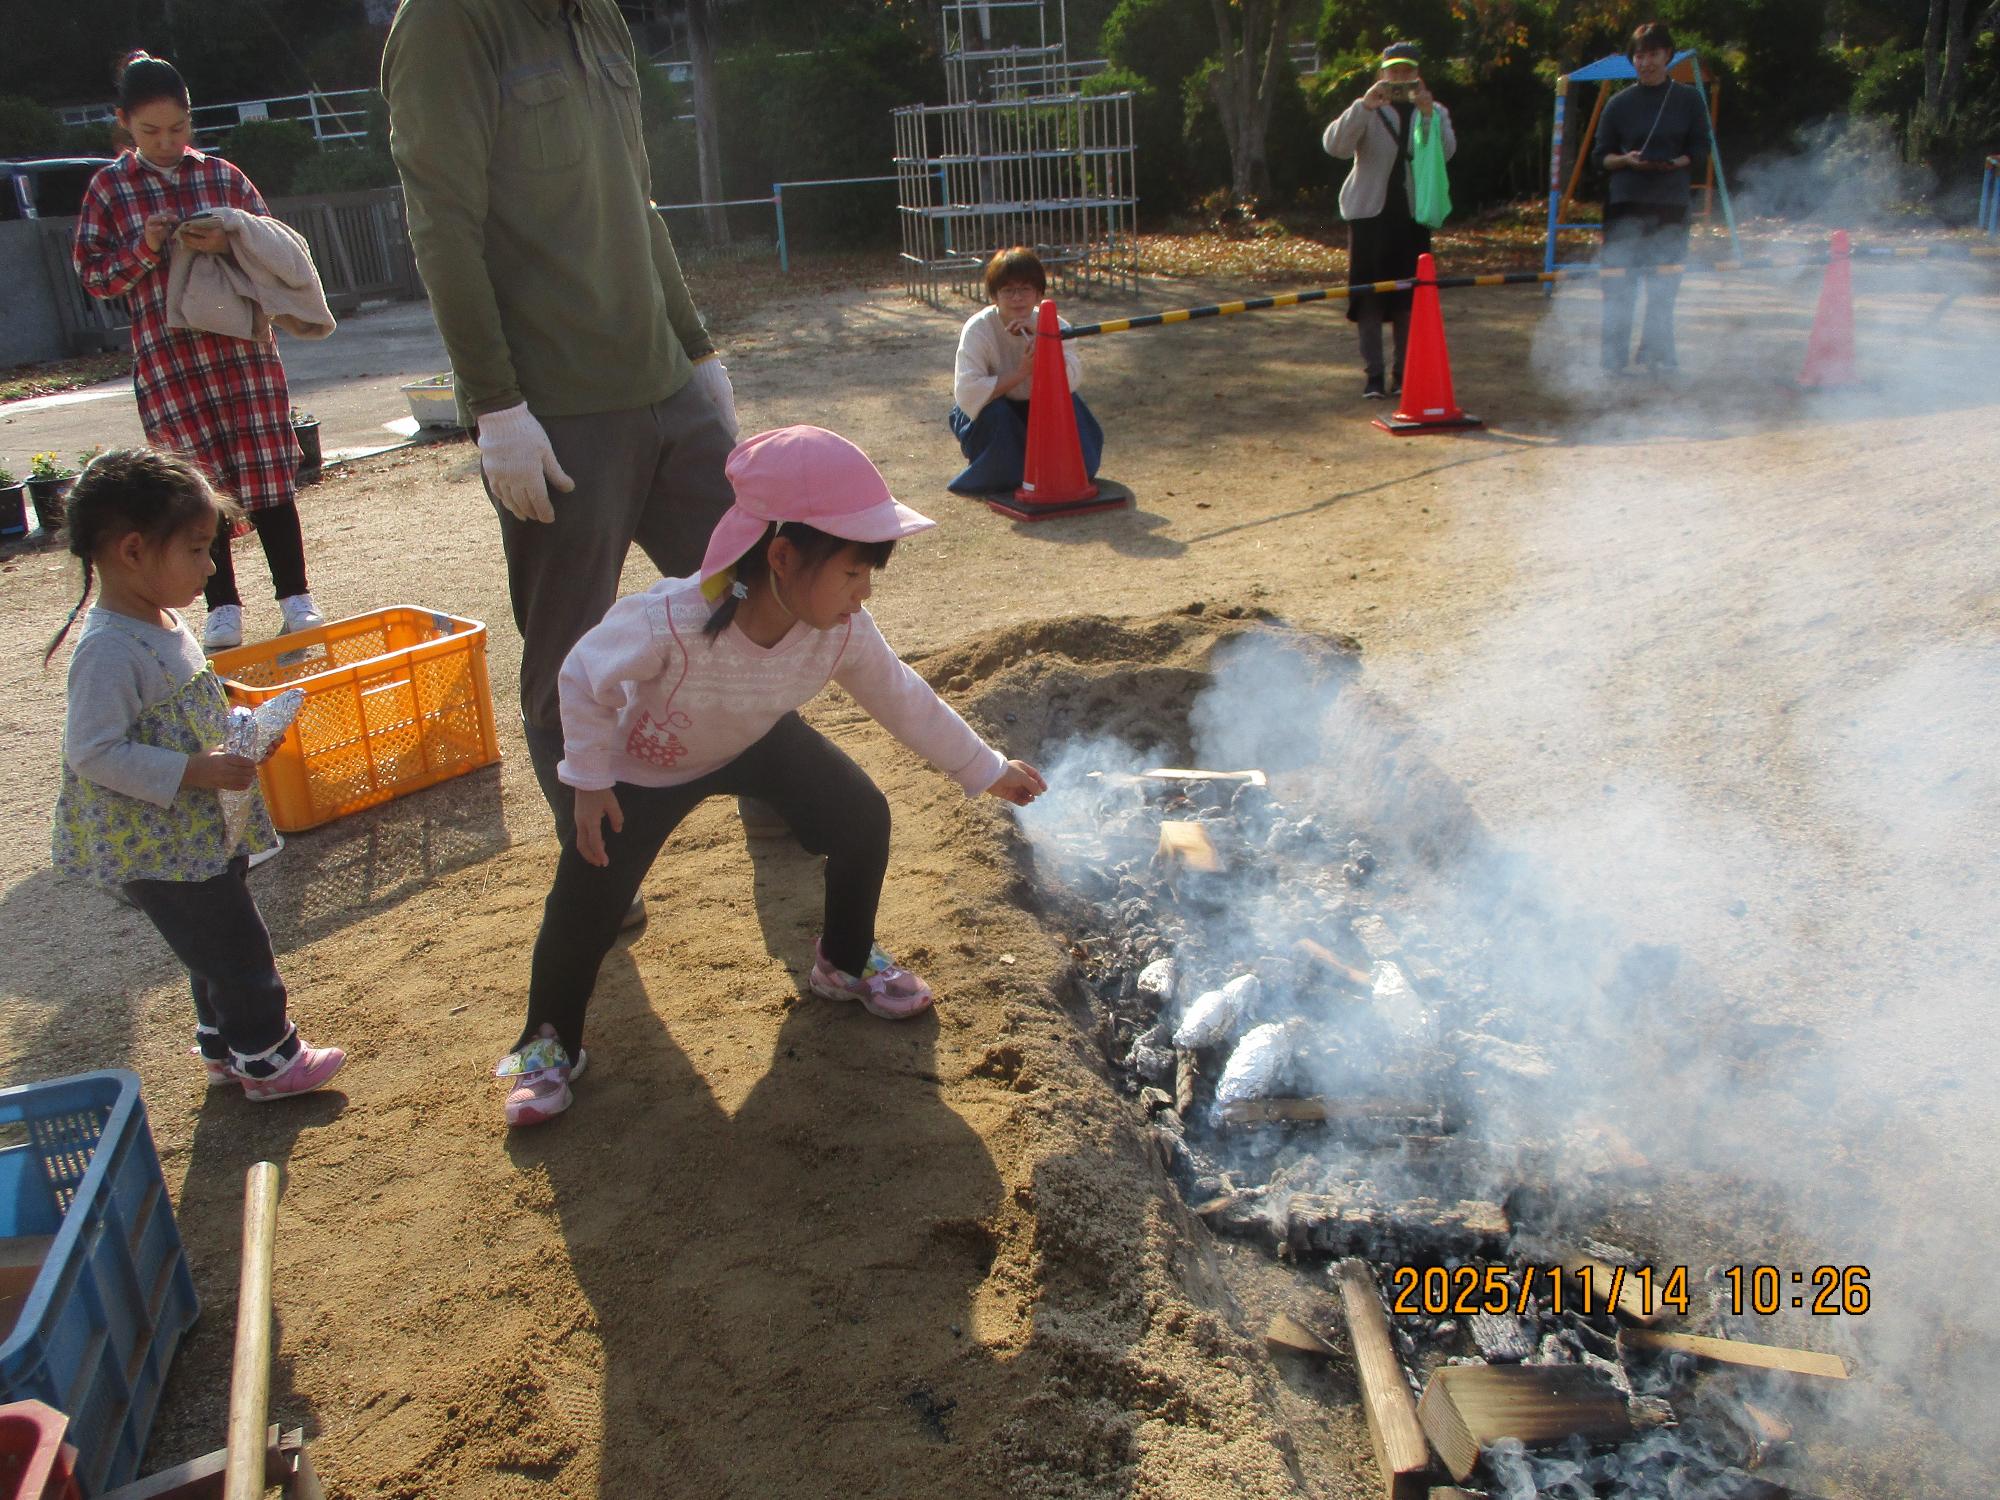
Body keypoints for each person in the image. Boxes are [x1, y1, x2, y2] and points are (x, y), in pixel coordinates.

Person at [496, 426, 1047, 1127]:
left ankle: (844, 961)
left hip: (754, 739)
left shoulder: (842, 628)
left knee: (860, 817)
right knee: (585, 901)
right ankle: (548, 1044)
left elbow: (903, 697)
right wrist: (592, 778)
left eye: (870, 574)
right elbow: (582, 675)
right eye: (852, 572)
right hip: (648, 764)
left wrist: (987, 768)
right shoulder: (671, 620)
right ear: (782, 557)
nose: (862, 592)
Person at [382, 0, 747, 883]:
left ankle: (774, 793)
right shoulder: (448, 24)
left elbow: (637, 195)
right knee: (571, 657)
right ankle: (598, 874)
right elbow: (443, 224)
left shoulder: (599, 18)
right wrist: (497, 404)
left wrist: (694, 346)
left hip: (665, 383)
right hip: (559, 409)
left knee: (748, 596)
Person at [46, 449, 345, 1101]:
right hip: (159, 843)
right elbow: (91, 752)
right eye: (198, 549)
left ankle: (223, 1047)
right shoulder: (107, 651)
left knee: (210, 945)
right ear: (132, 552)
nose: (211, 568)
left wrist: (239, 730)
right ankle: (269, 1061)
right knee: (237, 948)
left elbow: (182, 707)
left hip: (195, 829)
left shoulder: (160, 618)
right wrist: (196, 768)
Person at [73, 52, 325, 652]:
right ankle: (223, 608)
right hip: (168, 363)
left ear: (192, 119)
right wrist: (144, 246)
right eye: (149, 132)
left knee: (267, 471)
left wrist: (230, 236)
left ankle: (296, 599)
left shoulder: (223, 176)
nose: (166, 142)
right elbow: (93, 276)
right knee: (196, 485)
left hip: (244, 353)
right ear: (124, 125)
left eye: (178, 128)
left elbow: (276, 254)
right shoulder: (108, 188)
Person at [1322, 42, 1456, 399]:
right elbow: (1333, 145)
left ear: (1417, 74)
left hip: (1413, 217)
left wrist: (1427, 115)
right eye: (1393, 72)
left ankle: (1404, 375)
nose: (1400, 78)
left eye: (1407, 71)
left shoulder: (1434, 110)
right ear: (1381, 74)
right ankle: (1374, 376)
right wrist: (1364, 107)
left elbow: (1448, 152)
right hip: (1369, 216)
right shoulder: (1367, 108)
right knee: (1368, 299)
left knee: (1408, 301)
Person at [1595, 21, 1709, 375]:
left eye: (1653, 54)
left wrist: (1679, 162)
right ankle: (1613, 363)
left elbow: (1701, 147)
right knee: (1619, 284)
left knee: (1664, 285)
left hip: (1671, 203)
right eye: (1640, 55)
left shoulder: (1689, 99)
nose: (1646, 62)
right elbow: (1602, 157)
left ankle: (1658, 357)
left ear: (1668, 55)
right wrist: (1625, 161)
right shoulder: (1618, 103)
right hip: (1625, 202)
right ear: (1633, 60)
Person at [947, 247, 1104, 494]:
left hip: (1039, 407)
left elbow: (1072, 381)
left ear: (1038, 293)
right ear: (995, 296)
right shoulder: (978, 329)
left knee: (1085, 464)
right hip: (992, 411)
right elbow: (967, 393)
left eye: (1025, 289)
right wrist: (1022, 372)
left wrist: (1046, 349)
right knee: (1008, 457)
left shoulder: (1056, 325)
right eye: (1008, 290)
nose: (1017, 298)